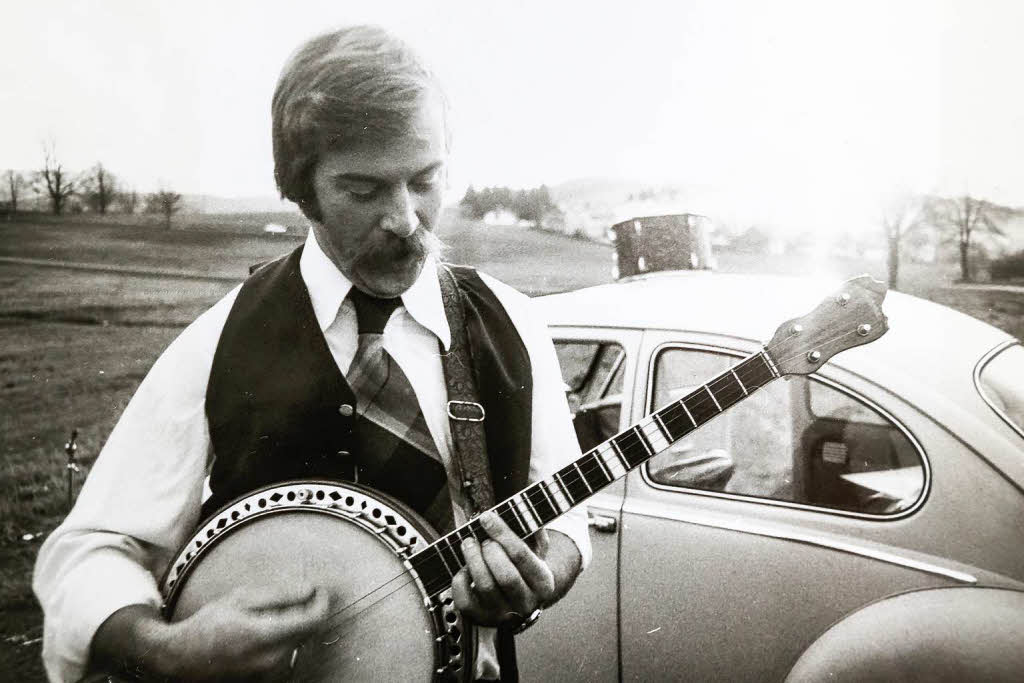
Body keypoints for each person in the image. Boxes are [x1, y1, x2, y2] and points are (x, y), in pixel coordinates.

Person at [33, 25, 590, 682]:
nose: (406, 219)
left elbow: (568, 521)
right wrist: (166, 649)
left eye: (425, 179)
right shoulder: (222, 341)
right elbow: (86, 552)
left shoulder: (512, 323)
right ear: (302, 190)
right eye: (363, 190)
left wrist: (540, 575)